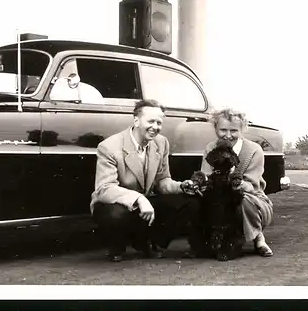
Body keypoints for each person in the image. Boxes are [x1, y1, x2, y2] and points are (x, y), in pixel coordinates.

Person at [90, 99, 202, 262]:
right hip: (117, 204)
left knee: (190, 202)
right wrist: (139, 199)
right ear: (136, 120)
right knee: (114, 214)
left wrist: (182, 186)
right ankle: (117, 247)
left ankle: (153, 243)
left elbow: (162, 180)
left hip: (146, 205)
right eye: (150, 121)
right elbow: (104, 189)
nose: (155, 127)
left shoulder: (161, 142)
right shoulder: (109, 147)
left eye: (159, 122)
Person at [199, 108, 274, 257]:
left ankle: (258, 237)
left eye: (233, 131)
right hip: (221, 196)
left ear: (242, 130)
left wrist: (233, 180)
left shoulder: (254, 150)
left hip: (251, 198)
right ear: (215, 128)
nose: (227, 135)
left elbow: (252, 186)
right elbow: (207, 176)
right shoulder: (210, 148)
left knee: (241, 198)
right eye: (223, 130)